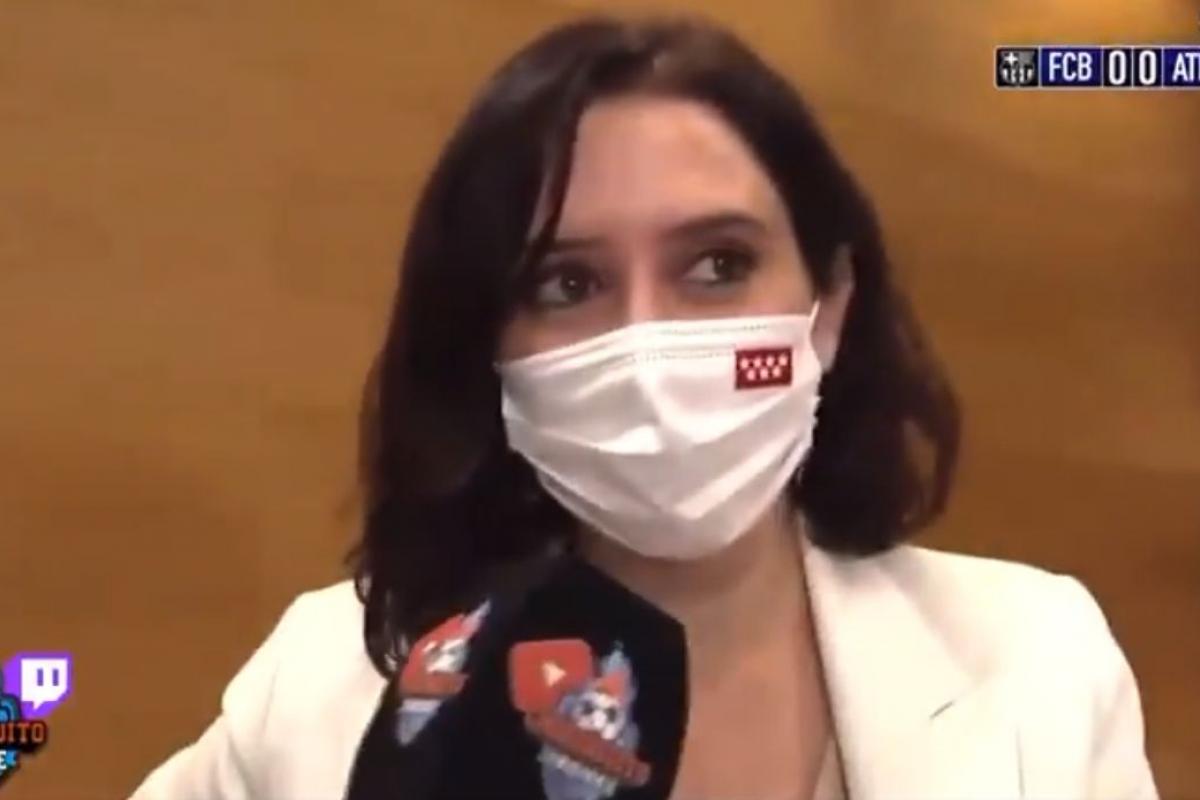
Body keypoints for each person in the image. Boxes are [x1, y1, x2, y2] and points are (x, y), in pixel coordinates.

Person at [130, 15, 1157, 800]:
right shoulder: (323, 688)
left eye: (718, 265)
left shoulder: (1038, 662)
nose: (649, 342)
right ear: (487, 342)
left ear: (830, 306)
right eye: (568, 283)